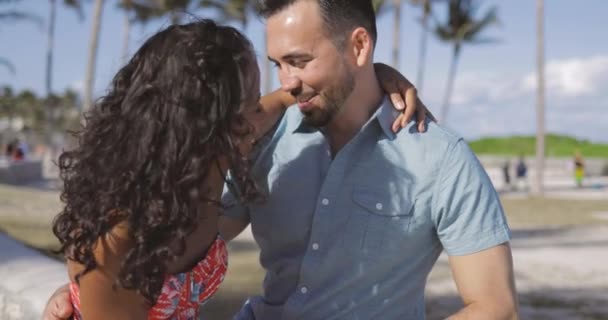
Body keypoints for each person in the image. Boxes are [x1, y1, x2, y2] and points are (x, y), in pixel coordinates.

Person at [44, 18, 429, 320]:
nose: (256, 118)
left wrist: (372, 77)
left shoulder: (199, 171)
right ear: (200, 125)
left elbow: (289, 96)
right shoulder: (116, 237)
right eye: (248, 104)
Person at [220, 1, 517, 318]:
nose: (286, 81)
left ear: (359, 46)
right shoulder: (263, 138)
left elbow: (496, 307)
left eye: (299, 61)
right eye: (278, 64)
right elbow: (186, 241)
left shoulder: (442, 158)